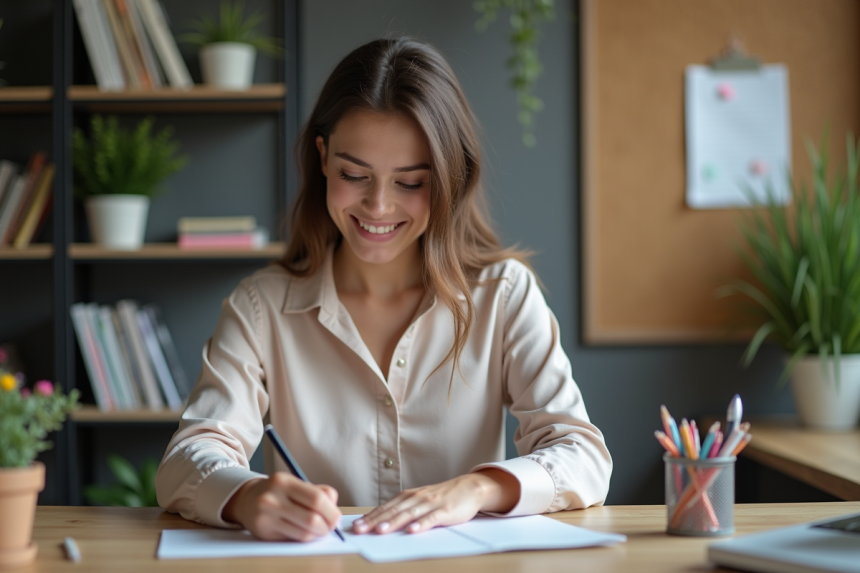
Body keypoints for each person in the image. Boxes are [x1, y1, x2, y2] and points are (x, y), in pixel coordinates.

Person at [155, 37, 612, 542]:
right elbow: (185, 461)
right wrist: (244, 497)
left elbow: (582, 455)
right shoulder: (261, 307)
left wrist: (476, 489)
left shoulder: (503, 294)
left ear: (449, 178)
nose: (377, 206)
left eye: (410, 183)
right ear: (323, 157)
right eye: (355, 175)